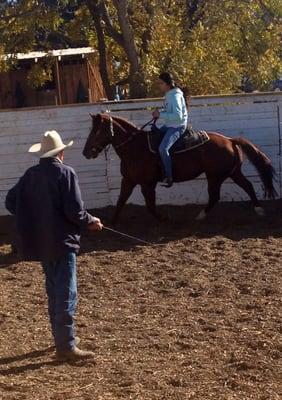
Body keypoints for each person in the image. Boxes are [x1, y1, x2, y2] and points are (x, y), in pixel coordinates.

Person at [5, 130, 103, 362]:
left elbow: (11, 201)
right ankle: (66, 345)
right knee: (67, 292)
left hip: (41, 242)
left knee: (53, 290)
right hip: (63, 241)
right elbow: (75, 211)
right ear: (61, 152)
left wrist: (33, 217)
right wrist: (92, 222)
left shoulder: (30, 175)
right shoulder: (66, 173)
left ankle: (61, 338)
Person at [152, 72, 188, 188]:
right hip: (170, 125)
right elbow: (170, 112)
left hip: (177, 126)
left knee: (163, 148)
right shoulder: (170, 94)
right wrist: (160, 113)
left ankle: (169, 176)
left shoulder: (174, 96)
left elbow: (178, 116)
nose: (159, 86)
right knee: (153, 135)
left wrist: (161, 115)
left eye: (161, 83)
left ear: (167, 84)